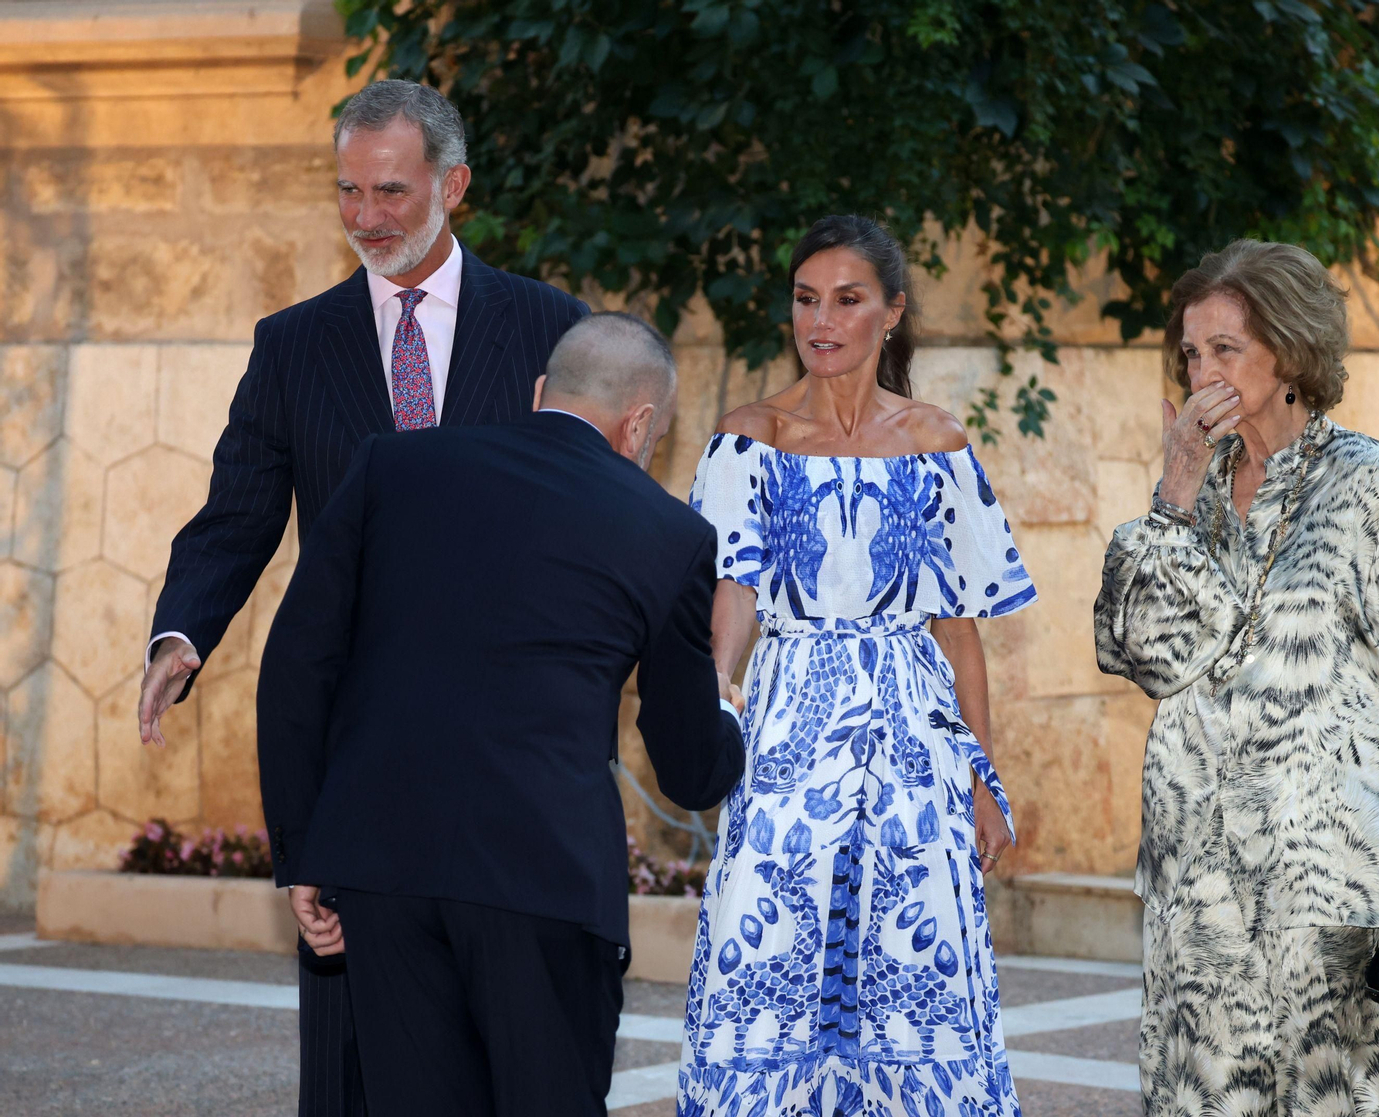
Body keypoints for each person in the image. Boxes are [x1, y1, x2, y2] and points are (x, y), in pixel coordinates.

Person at [134, 79, 587, 1116]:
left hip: (508, 746)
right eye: (347, 190)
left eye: (389, 191)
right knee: (349, 1045)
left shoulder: (551, 330)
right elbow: (238, 511)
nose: (366, 217)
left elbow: (594, 515)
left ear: (453, 184)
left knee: (509, 1037)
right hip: (352, 744)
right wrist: (181, 629)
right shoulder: (292, 344)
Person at [255, 312, 746, 1116]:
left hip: (384, 871)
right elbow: (691, 766)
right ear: (642, 422)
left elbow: (299, 660)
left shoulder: (394, 466)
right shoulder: (670, 533)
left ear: (542, 391)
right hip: (543, 879)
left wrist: (306, 845)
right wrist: (727, 713)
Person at [1094, 239, 1379, 1116]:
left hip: (1322, 873)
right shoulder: (1194, 486)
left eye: (1223, 349)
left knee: (1331, 1096)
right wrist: (1171, 490)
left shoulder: (1364, 481)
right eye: (1190, 352)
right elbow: (1147, 652)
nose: (1201, 368)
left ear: (1286, 353)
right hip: (1196, 878)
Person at [678, 215, 1037, 1116]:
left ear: (892, 313)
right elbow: (734, 596)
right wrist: (716, 709)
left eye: (847, 300)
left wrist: (983, 778)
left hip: (912, 733)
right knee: (760, 947)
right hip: (786, 727)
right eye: (806, 299)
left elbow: (960, 631)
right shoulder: (746, 436)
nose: (821, 321)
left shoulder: (938, 441)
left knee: (917, 956)